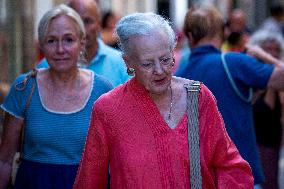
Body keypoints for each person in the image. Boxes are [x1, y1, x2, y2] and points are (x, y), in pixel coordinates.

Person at [73, 12, 254, 189]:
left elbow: (230, 165)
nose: (159, 70)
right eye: (147, 63)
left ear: (173, 52)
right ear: (128, 62)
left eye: (165, 59)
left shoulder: (196, 97)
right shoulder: (109, 109)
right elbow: (90, 179)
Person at [0, 4, 112, 189]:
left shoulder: (103, 89)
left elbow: (116, 158)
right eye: (51, 40)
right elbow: (4, 160)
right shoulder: (24, 88)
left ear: (81, 43)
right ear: (41, 44)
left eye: (68, 40)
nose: (60, 49)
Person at [176, 4, 284, 187]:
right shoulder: (233, 62)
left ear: (190, 36)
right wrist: (263, 55)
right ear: (224, 32)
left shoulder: (179, 75)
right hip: (240, 173)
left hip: (198, 177)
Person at [38, 0, 130, 87]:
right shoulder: (48, 64)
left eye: (87, 21)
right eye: (75, 22)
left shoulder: (121, 63)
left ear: (99, 24)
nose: (81, 28)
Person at [249, 30, 284, 189]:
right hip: (253, 139)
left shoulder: (279, 78)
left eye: (276, 49)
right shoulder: (251, 72)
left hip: (272, 138)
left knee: (270, 181)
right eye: (268, 49)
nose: (273, 53)